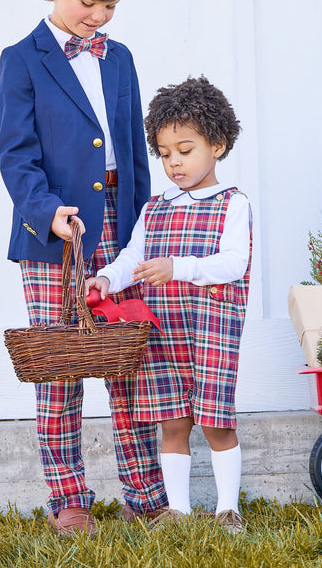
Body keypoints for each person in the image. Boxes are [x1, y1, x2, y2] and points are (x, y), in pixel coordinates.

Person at [0, 0, 167, 537]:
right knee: (62, 367)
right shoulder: (21, 60)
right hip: (54, 237)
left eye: (110, 6)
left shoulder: (118, 58)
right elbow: (16, 157)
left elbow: (132, 152)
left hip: (121, 225)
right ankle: (69, 498)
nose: (98, 16)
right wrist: (47, 212)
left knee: (129, 362)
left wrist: (147, 228)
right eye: (87, 3)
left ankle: (146, 494)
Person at [86, 75, 252, 535]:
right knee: (172, 421)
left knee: (216, 421)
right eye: (165, 154)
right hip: (162, 332)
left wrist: (178, 268)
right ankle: (176, 508)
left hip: (210, 329)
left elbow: (234, 264)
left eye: (185, 150)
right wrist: (105, 277)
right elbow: (132, 259)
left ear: (216, 145)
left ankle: (226, 509)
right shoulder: (153, 209)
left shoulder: (232, 204)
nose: (174, 163)